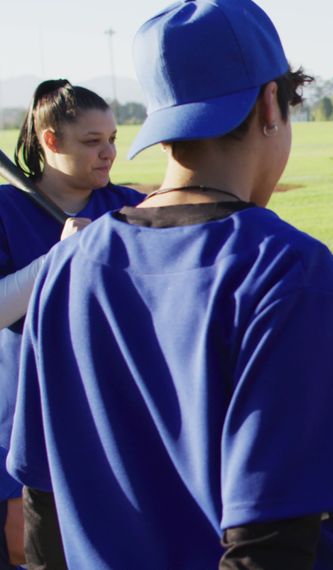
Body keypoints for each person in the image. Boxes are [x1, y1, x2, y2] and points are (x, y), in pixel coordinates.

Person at [6, 1, 333, 568]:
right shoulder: (285, 268)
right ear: (271, 104)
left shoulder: (64, 268)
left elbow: (43, 508)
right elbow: (271, 548)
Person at [0, 79, 143, 567]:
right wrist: (57, 259)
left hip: (108, 410)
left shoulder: (127, 207)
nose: (108, 153)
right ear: (50, 141)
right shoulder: (6, 209)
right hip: (23, 409)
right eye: (91, 141)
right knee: (25, 543)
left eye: (112, 139)